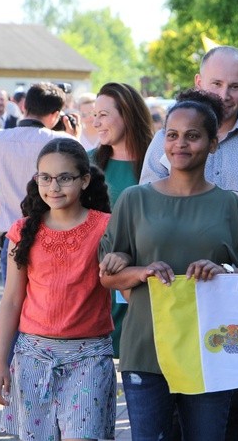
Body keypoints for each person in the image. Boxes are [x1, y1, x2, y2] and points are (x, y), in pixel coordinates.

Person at [140, 45, 238, 440]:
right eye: (215, 83)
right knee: (171, 402)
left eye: (234, 86)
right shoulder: (168, 139)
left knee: (228, 404)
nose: (224, 94)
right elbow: (142, 211)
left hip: (237, 297)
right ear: (199, 82)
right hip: (172, 292)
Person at [100, 90, 238, 441]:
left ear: (213, 144)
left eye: (193, 136)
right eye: (172, 135)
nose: (181, 144)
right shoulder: (135, 199)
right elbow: (108, 276)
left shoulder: (230, 205)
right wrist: (141, 271)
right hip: (148, 348)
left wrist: (226, 272)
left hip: (210, 350)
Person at [0, 138, 116, 440]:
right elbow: (11, 301)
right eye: (45, 178)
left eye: (65, 178)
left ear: (85, 180)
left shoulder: (105, 226)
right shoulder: (23, 230)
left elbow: (121, 272)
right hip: (32, 356)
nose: (54, 187)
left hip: (88, 356)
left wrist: (122, 258)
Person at [0, 82, 74, 284]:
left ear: (24, 107)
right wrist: (73, 138)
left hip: (12, 235)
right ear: (56, 114)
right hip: (51, 236)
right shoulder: (62, 141)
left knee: (12, 306)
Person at [90, 81, 154, 357]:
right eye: (94, 115)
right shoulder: (89, 162)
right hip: (99, 279)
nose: (96, 122)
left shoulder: (160, 161)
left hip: (147, 275)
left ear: (127, 113)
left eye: (103, 115)